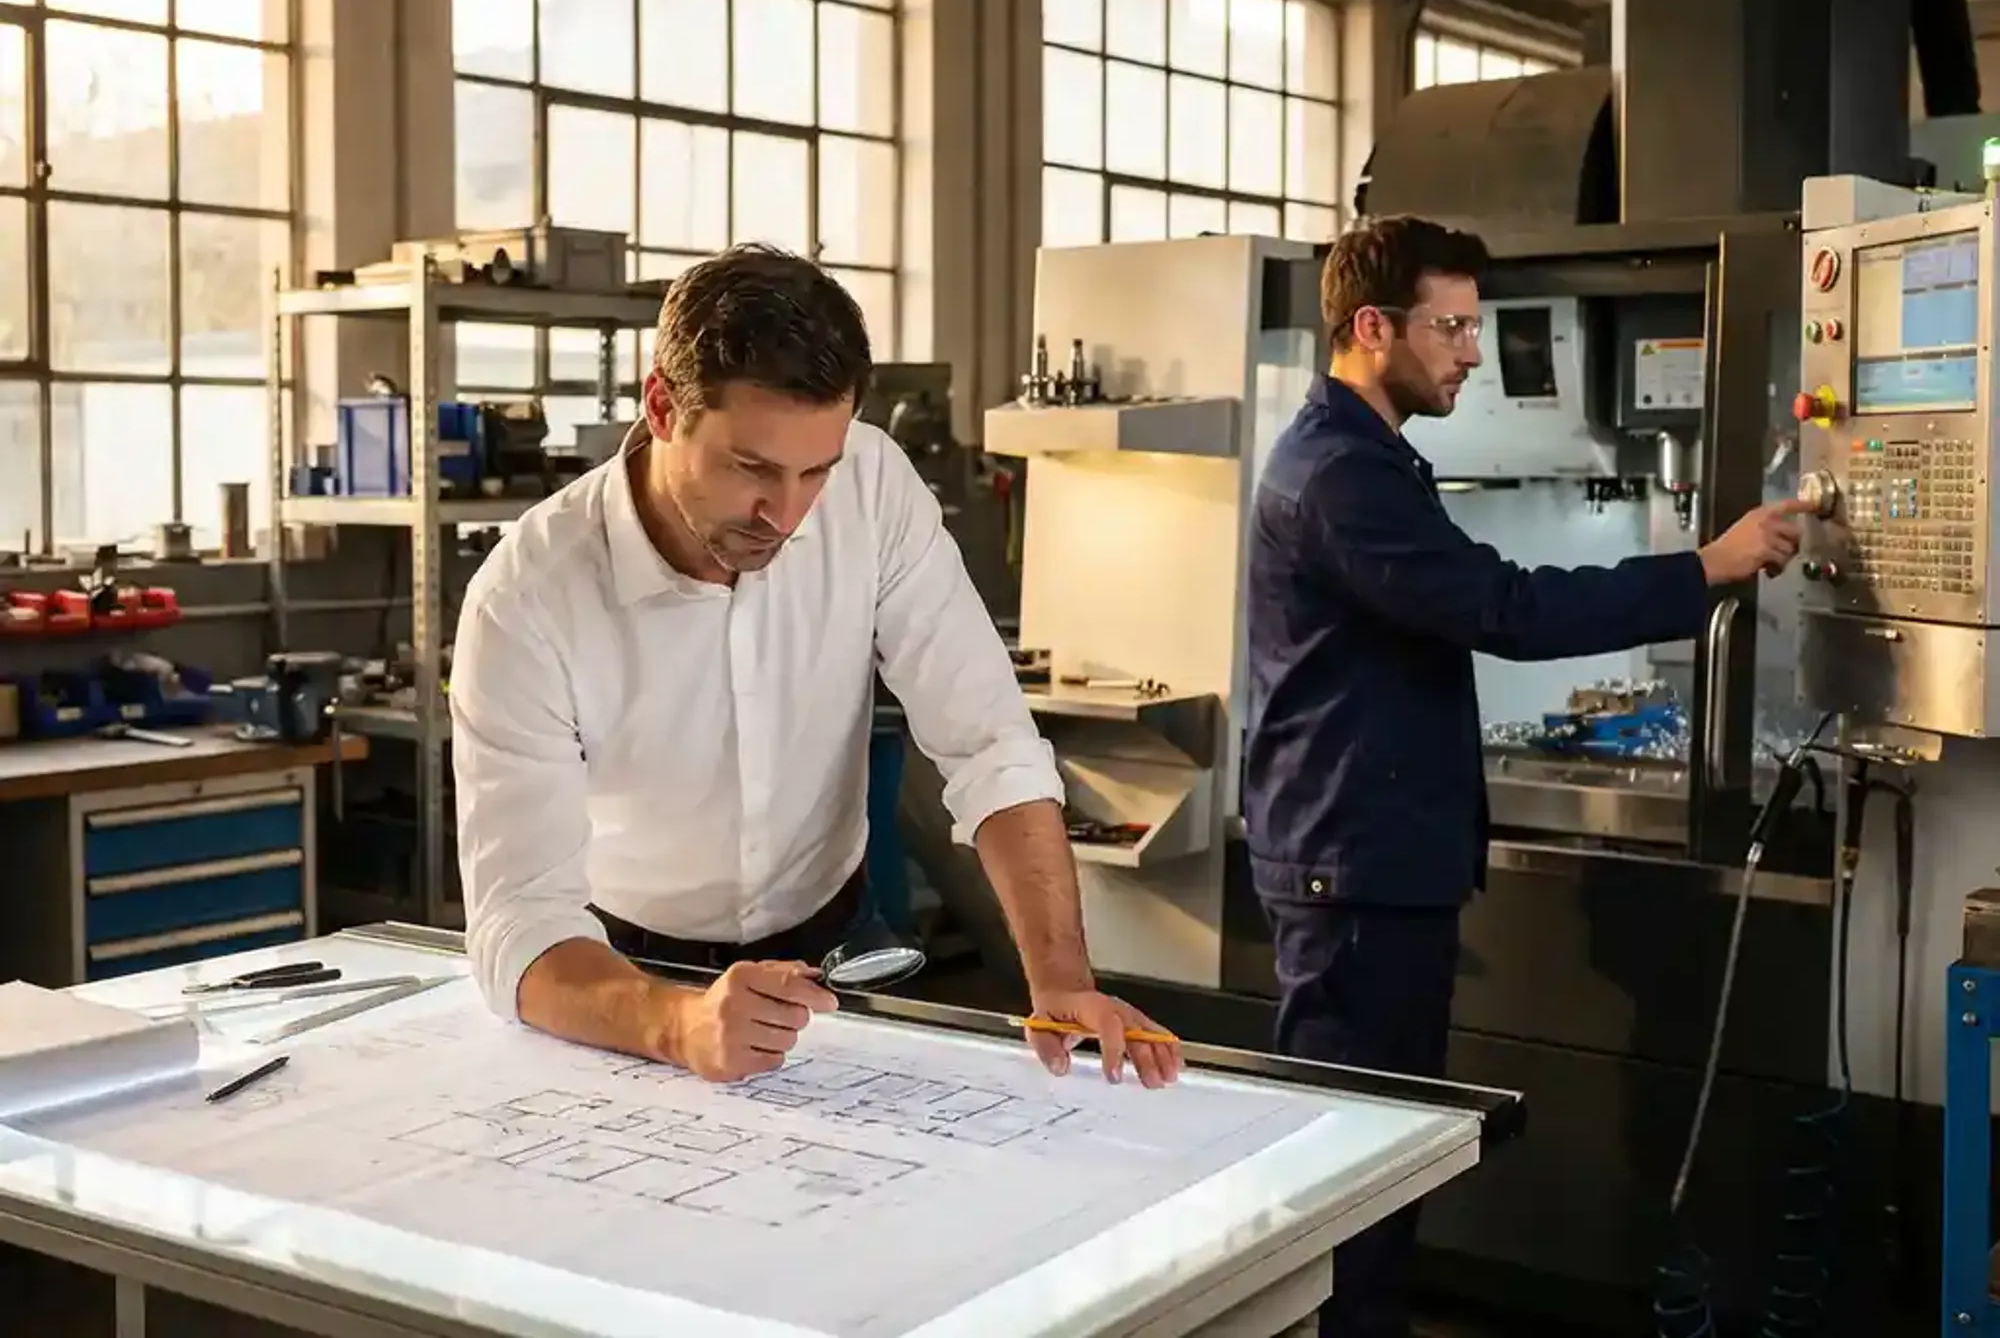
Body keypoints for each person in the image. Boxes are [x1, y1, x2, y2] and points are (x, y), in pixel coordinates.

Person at [1243, 216, 1806, 1338]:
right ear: (1370, 327)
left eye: (1473, 326)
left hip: (1372, 859)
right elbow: (1500, 607)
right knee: (1353, 1166)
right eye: (1448, 327)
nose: (1468, 353)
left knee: (1379, 1156)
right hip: (1350, 870)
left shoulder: (1367, 458)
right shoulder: (1339, 474)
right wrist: (1702, 568)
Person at [451, 244, 1181, 1091]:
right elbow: (517, 923)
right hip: (623, 973)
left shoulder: (873, 486)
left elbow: (991, 744)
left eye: (815, 471)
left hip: (834, 946)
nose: (786, 514)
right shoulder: (528, 595)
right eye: (751, 468)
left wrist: (1061, 983)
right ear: (661, 405)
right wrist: (677, 1023)